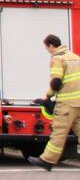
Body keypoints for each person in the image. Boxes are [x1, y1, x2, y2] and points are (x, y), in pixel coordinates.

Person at [29, 34, 80, 171]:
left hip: (67, 103)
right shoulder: (75, 57)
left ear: (52, 45)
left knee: (59, 132)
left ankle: (47, 160)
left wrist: (48, 95)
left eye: (47, 48)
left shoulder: (58, 58)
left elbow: (56, 82)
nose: (48, 51)